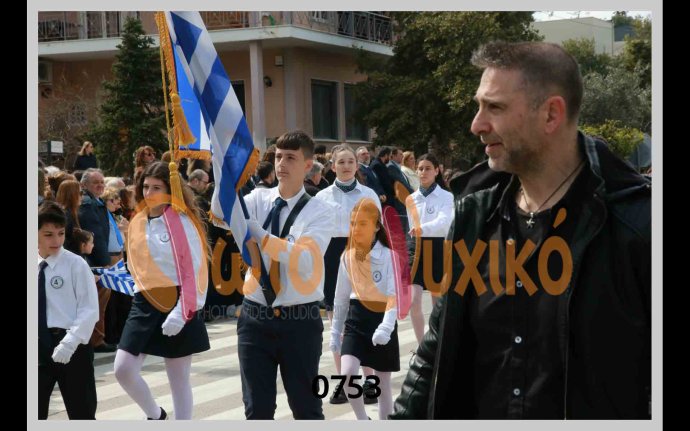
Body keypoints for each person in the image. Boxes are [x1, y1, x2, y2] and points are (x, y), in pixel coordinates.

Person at [391, 41, 651, 419]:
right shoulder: (473, 218)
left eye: (494, 107)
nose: (476, 125)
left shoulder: (637, 227)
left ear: (551, 114)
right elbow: (435, 349)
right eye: (479, 106)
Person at [240, 130, 334, 419]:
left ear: (307, 165)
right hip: (255, 317)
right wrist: (222, 170)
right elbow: (220, 213)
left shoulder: (321, 210)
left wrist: (262, 237)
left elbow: (305, 260)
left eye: (290, 158)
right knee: (257, 410)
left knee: (306, 409)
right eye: (278, 157)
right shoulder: (258, 198)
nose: (281, 163)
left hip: (299, 321)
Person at [114, 161, 210, 420]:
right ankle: (156, 416)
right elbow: (135, 265)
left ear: (170, 190)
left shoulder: (182, 221)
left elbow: (195, 271)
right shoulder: (138, 220)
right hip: (145, 300)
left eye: (156, 187)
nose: (149, 192)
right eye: (145, 186)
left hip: (178, 299)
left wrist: (182, 311)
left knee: (178, 379)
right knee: (123, 368)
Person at [314, 144, 382, 405]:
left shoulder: (368, 194)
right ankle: (345, 383)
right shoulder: (321, 197)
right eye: (340, 162)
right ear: (332, 166)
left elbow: (378, 230)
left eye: (350, 161)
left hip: (362, 255)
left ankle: (370, 382)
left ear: (357, 165)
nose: (345, 166)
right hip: (332, 258)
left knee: (365, 320)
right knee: (338, 323)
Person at [330, 198, 400, 420]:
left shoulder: (390, 256)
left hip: (382, 319)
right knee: (347, 374)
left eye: (363, 223)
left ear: (377, 226)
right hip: (356, 319)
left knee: (382, 386)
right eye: (353, 223)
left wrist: (386, 327)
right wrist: (335, 330)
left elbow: (394, 296)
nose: (356, 229)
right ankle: (362, 420)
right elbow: (340, 298)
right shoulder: (347, 256)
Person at [38, 201, 99, 419]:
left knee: (82, 413)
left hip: (72, 345)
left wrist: (70, 343)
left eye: (61, 233)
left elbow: (89, 309)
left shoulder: (76, 264)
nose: (56, 240)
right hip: (38, 344)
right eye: (48, 235)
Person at [404, 153, 454, 346]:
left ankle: (437, 345)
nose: (423, 172)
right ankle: (421, 347)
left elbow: (444, 222)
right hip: (415, 249)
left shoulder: (446, 196)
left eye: (427, 168)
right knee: (414, 300)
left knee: (437, 303)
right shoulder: (411, 198)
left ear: (437, 171)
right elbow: (410, 228)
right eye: (420, 168)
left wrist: (422, 229)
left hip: (437, 248)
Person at [78, 168, 117, 353]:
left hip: (99, 260)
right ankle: (96, 340)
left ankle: (98, 338)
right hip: (96, 262)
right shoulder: (88, 204)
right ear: (84, 184)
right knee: (97, 303)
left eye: (102, 182)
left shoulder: (96, 202)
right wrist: (104, 262)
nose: (100, 185)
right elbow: (96, 235)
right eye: (96, 183)